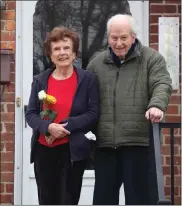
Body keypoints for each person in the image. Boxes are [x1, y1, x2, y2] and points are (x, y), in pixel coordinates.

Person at [87, 14, 172, 205]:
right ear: (108, 38)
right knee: (103, 200)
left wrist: (156, 105)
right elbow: (84, 96)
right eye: (114, 38)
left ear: (133, 37)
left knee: (140, 200)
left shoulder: (152, 58)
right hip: (105, 145)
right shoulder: (96, 63)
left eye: (123, 37)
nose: (118, 43)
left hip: (138, 142)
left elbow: (162, 83)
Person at [25, 27, 100, 205]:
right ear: (50, 55)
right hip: (44, 151)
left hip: (72, 151)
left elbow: (93, 113)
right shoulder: (40, 80)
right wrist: (47, 127)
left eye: (66, 48)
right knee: (47, 200)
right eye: (56, 49)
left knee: (68, 199)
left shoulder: (87, 80)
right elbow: (31, 114)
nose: (62, 53)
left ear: (74, 53)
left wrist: (69, 125)